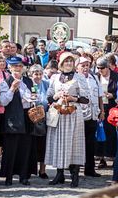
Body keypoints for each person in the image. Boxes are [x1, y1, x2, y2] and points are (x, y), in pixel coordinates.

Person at [46, 52, 90, 187]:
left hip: (73, 114)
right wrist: (56, 95)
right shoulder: (55, 77)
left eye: (71, 61)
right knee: (59, 143)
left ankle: (74, 175)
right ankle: (59, 174)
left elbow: (86, 99)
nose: (69, 63)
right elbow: (48, 97)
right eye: (66, 61)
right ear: (61, 63)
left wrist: (73, 98)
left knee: (74, 144)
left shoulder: (79, 77)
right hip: (59, 114)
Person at [0, 56, 34, 186]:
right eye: (14, 66)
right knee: (10, 148)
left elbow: (34, 95)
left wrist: (33, 99)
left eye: (19, 66)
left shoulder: (28, 81)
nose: (17, 69)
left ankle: (23, 176)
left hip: (26, 116)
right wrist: (12, 88)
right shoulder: (5, 82)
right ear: (10, 68)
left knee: (25, 148)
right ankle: (8, 177)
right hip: (12, 117)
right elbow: (3, 102)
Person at [76, 56, 104, 177]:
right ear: (77, 67)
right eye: (83, 65)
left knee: (90, 143)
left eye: (87, 65)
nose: (86, 68)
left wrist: (102, 111)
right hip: (80, 115)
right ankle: (75, 169)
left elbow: (100, 96)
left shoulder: (94, 78)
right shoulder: (75, 78)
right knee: (78, 143)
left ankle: (90, 168)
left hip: (93, 114)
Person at [95, 56, 118, 169]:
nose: (100, 70)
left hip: (112, 108)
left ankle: (114, 157)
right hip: (100, 108)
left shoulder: (116, 77)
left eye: (102, 68)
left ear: (108, 67)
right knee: (101, 133)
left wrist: (112, 95)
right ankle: (101, 158)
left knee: (112, 134)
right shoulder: (96, 77)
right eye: (98, 68)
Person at [28, 64, 50, 178]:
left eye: (40, 74)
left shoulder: (46, 84)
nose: (38, 76)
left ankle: (42, 170)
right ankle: (32, 169)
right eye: (36, 74)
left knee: (44, 146)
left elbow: (50, 98)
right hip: (32, 119)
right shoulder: (29, 85)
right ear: (31, 75)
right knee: (32, 145)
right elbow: (31, 100)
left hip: (45, 119)